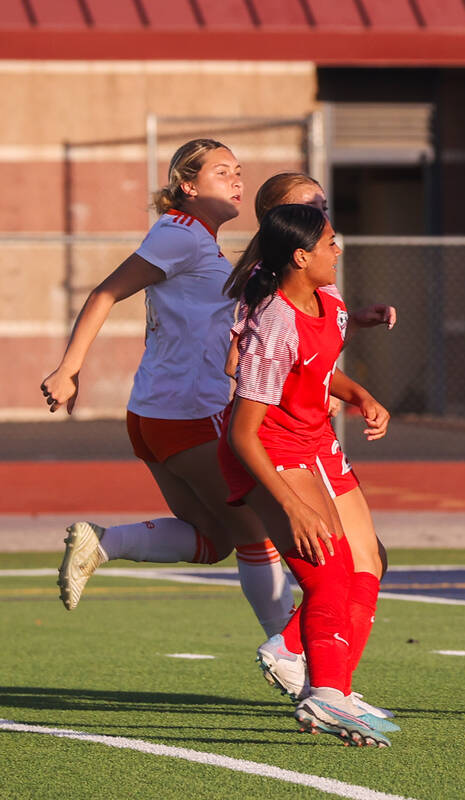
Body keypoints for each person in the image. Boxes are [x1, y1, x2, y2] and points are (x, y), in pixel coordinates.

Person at [42, 139, 293, 640]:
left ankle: (104, 542)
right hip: (189, 413)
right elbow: (106, 292)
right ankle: (294, 661)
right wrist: (68, 368)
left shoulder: (197, 239)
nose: (237, 180)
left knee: (214, 538)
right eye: (222, 172)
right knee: (254, 534)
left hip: (158, 412)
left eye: (239, 171)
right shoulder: (182, 234)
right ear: (188, 186)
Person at [221, 172, 396, 708]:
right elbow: (243, 422)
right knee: (332, 572)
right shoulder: (272, 309)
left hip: (316, 441)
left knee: (367, 564)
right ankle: (321, 682)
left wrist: (359, 393)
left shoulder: (331, 302)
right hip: (279, 445)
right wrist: (292, 504)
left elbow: (317, 369)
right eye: (326, 234)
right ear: (294, 247)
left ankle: (336, 686)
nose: (337, 244)